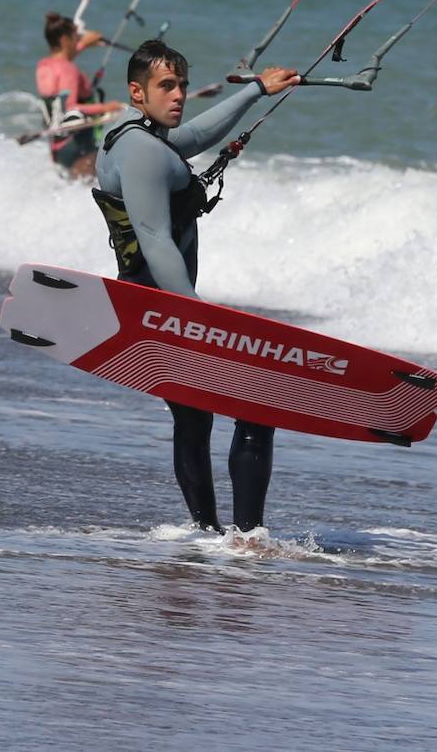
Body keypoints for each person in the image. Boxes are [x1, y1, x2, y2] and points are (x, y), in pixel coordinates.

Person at [92, 39, 300, 533]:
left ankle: (209, 535)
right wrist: (194, 318)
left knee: (194, 418)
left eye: (183, 84)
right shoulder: (142, 150)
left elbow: (190, 139)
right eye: (167, 86)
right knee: (255, 407)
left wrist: (254, 91)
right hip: (160, 304)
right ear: (137, 91)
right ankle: (247, 540)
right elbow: (156, 239)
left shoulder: (132, 132)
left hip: (146, 299)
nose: (179, 94)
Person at [36, 12, 124, 180]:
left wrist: (83, 44)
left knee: (72, 191)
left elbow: (59, 101)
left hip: (57, 146)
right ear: (64, 40)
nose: (78, 41)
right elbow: (69, 108)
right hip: (78, 146)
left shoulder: (44, 67)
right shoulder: (69, 70)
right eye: (75, 38)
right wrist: (106, 108)